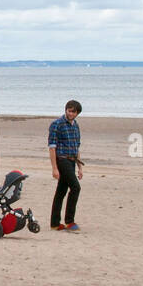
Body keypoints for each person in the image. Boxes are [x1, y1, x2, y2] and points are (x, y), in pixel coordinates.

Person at [49, 99, 84, 231]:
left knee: (61, 191)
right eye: (69, 111)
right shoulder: (56, 124)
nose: (70, 114)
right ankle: (70, 221)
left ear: (77, 113)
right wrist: (54, 168)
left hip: (72, 160)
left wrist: (80, 168)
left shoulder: (76, 125)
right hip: (61, 160)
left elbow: (77, 147)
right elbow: (52, 148)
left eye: (73, 112)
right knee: (75, 187)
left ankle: (55, 223)